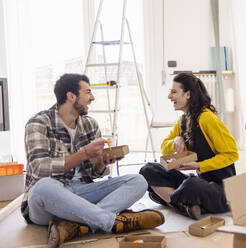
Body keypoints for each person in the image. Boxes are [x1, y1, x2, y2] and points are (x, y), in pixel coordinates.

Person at [22, 73, 164, 247]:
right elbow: (39, 169)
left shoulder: (90, 124)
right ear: (70, 96)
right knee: (43, 186)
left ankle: (75, 225)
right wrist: (84, 153)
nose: (92, 97)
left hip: (82, 193)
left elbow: (94, 174)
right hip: (50, 199)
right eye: (88, 92)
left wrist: (101, 165)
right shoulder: (38, 123)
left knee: (139, 180)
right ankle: (112, 221)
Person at [140, 73, 238, 219]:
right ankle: (183, 205)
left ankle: (172, 200)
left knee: (191, 185)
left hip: (221, 190)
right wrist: (176, 140)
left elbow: (231, 154)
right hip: (201, 182)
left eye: (174, 92)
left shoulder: (207, 118)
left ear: (188, 95)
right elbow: (163, 147)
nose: (169, 96)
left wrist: (199, 166)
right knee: (148, 169)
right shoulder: (182, 121)